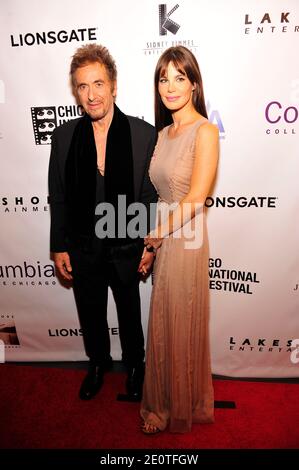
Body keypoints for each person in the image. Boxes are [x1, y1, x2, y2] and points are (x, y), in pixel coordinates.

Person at [48, 43, 157, 401]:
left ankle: (135, 366)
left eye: (98, 84)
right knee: (91, 312)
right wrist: (59, 245)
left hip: (125, 245)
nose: (91, 95)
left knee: (129, 311)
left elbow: (146, 197)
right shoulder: (64, 137)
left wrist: (147, 246)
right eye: (82, 86)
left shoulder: (142, 134)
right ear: (76, 91)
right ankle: (97, 365)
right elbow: (58, 195)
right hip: (82, 246)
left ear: (113, 85)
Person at [140, 46, 219, 433]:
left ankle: (175, 405)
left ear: (193, 84)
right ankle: (164, 402)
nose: (170, 86)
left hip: (186, 239)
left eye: (179, 77)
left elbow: (195, 197)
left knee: (180, 319)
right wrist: (152, 248)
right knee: (164, 321)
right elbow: (161, 196)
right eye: (163, 78)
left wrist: (155, 235)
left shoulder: (205, 130)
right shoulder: (163, 134)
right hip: (165, 237)